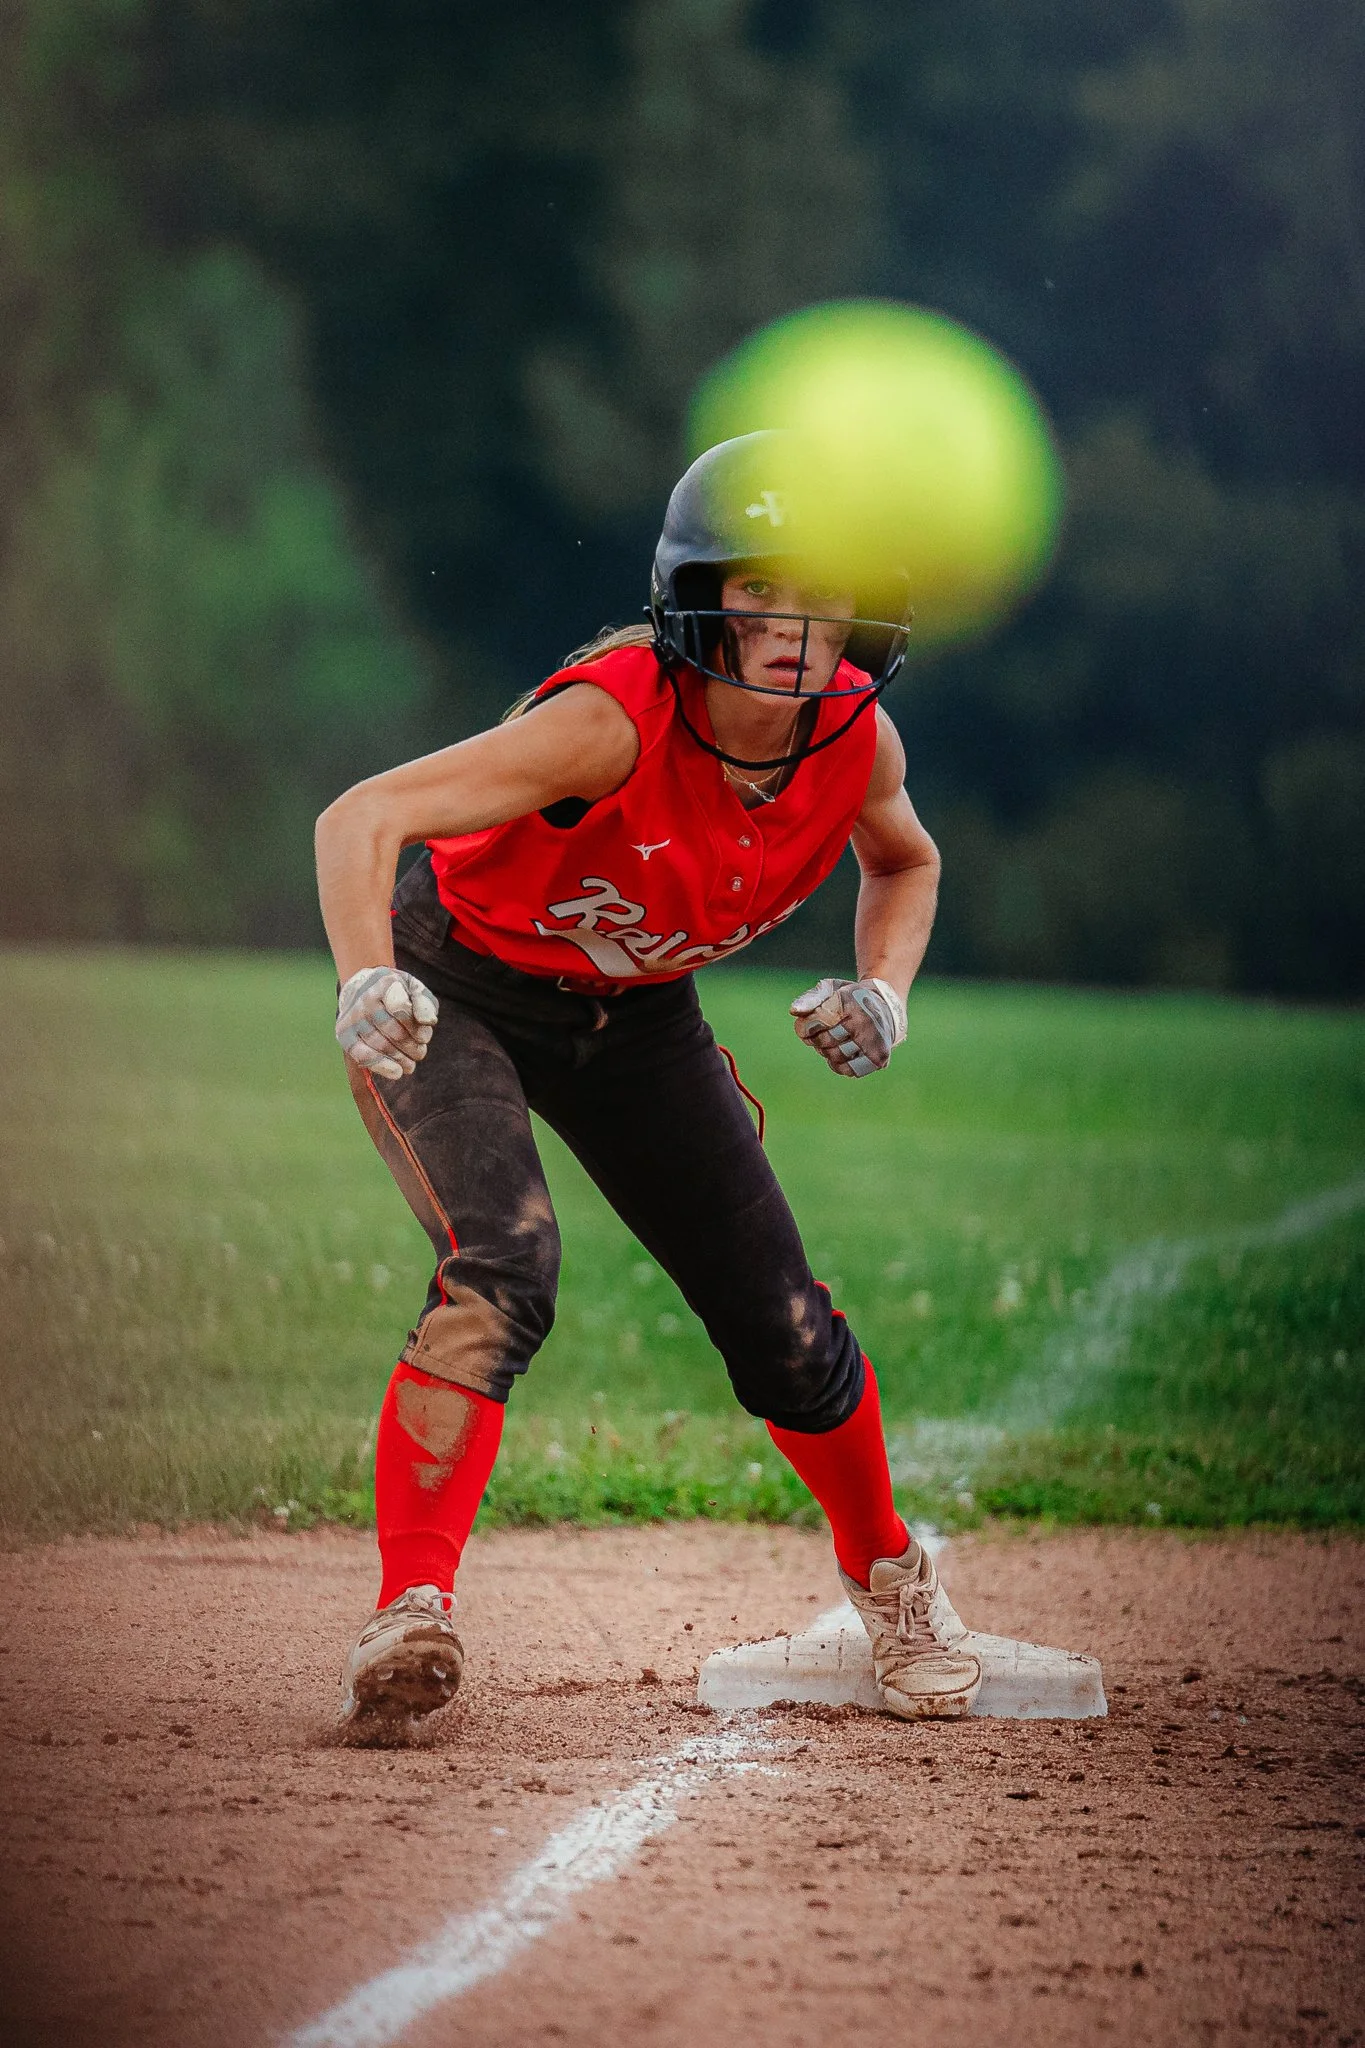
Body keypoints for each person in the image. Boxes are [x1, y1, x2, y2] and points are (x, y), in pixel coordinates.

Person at [314, 431, 982, 1738]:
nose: (796, 628)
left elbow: (905, 864)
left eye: (822, 595)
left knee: (780, 1316)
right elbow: (360, 818)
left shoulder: (855, 740)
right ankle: (412, 1613)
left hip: (637, 1018)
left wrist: (883, 989)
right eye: (759, 591)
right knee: (504, 1265)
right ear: (700, 599)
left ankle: (893, 1582)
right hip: (465, 987)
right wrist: (363, 976)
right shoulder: (611, 723)